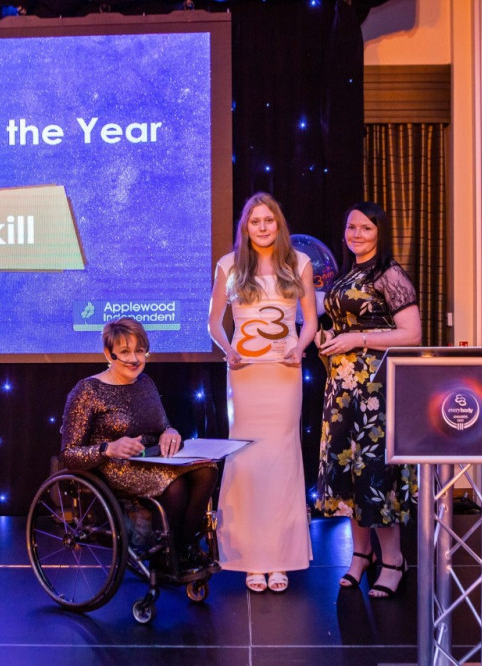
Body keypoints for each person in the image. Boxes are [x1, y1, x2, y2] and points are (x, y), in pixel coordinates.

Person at [208, 191, 318, 594]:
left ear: (278, 223)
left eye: (268, 220)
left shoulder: (298, 263)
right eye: (255, 221)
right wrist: (228, 350)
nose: (263, 227)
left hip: (284, 373)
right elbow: (214, 323)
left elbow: (310, 323)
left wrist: (300, 347)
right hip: (246, 375)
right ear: (245, 226)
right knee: (248, 458)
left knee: (282, 459)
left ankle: (281, 558)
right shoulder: (230, 265)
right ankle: (250, 557)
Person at [314, 201, 421, 599]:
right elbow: (343, 325)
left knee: (375, 475)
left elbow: (412, 334)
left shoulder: (389, 274)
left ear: (380, 233)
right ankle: (361, 556)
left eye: (366, 228)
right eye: (351, 227)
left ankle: (393, 560)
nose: (356, 234)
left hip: (376, 391)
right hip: (342, 391)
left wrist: (357, 338)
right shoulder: (348, 275)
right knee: (347, 474)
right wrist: (330, 339)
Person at [59, 317, 218, 571]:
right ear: (108, 354)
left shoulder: (145, 383)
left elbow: (163, 425)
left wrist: (170, 431)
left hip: (152, 457)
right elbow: (69, 454)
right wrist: (108, 448)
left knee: (207, 469)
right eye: (125, 352)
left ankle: (184, 546)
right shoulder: (87, 390)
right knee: (174, 485)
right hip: (114, 467)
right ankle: (163, 557)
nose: (134, 359)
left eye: (140, 351)